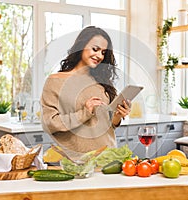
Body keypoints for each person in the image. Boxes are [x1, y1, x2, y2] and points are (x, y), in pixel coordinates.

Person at [40, 26, 130, 157]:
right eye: (95, 49)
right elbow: (50, 123)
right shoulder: (55, 81)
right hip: (79, 162)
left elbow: (108, 125)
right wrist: (85, 112)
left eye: (103, 53)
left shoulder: (101, 81)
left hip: (109, 157)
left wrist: (117, 116)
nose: (99, 56)